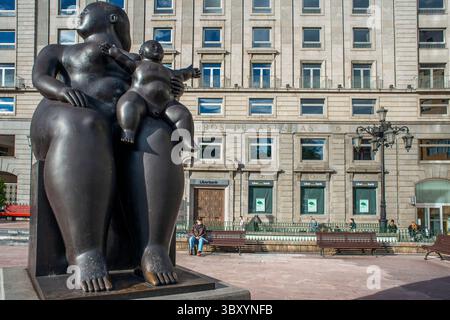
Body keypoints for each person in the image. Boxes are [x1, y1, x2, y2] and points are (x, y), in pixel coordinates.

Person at [30, 2, 186, 292]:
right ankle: (85, 252)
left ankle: (153, 249)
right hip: (65, 115)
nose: (78, 17)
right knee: (86, 124)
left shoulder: (136, 60)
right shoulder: (58, 51)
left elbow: (158, 84)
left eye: (85, 12)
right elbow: (40, 77)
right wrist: (62, 90)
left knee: (160, 134)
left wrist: (174, 87)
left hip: (121, 121)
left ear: (112, 18)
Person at [100, 40, 201, 146]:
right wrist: (113, 51)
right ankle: (128, 131)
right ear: (141, 51)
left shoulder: (169, 71)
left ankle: (186, 140)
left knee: (183, 114)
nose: (157, 48)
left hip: (166, 104)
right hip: (140, 97)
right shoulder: (137, 65)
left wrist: (191, 72)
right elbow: (123, 60)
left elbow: (182, 73)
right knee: (128, 103)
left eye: (159, 47)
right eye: (153, 46)